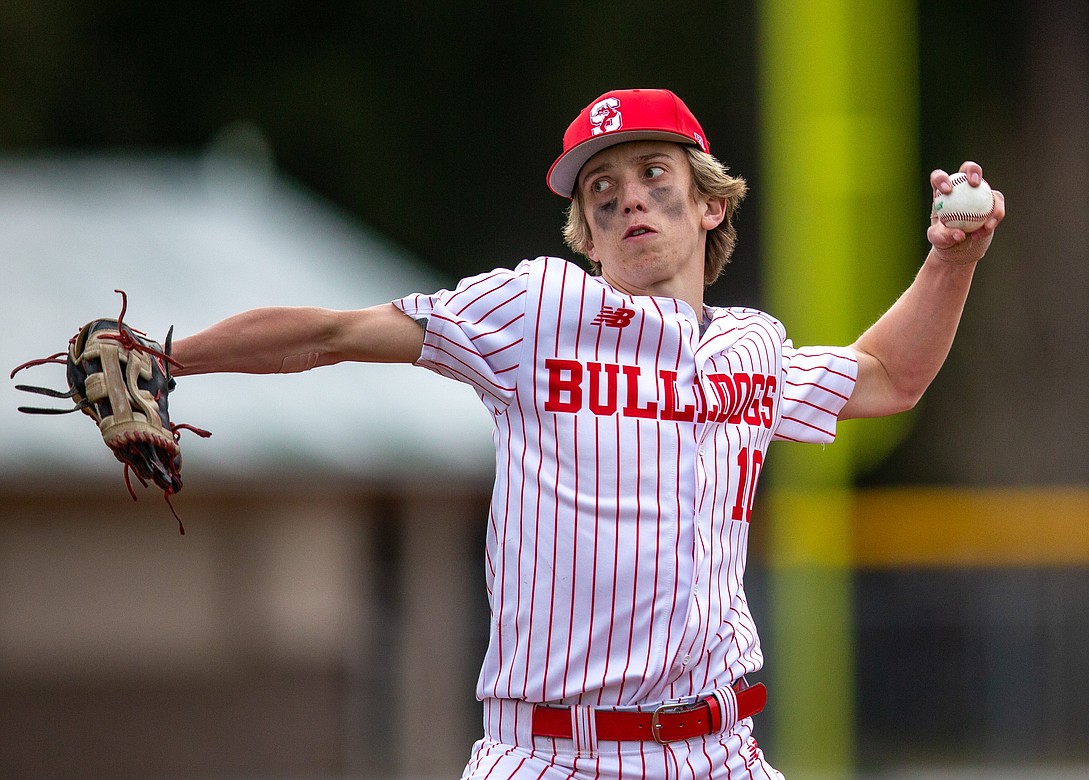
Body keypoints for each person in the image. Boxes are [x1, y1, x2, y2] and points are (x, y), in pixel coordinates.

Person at [169, 88, 1005, 779]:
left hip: (721, 754)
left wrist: (950, 265)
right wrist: (169, 358)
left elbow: (889, 377)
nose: (626, 195)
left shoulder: (751, 346)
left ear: (711, 201)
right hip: (554, 754)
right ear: (587, 232)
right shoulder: (537, 313)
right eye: (599, 189)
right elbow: (337, 331)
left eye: (652, 171)